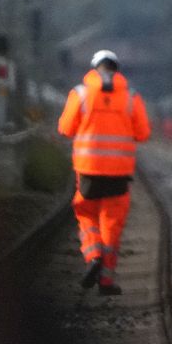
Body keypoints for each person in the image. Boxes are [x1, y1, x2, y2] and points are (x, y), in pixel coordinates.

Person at [57, 50, 152, 295]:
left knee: (86, 214)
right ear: (117, 70)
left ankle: (94, 254)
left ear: (93, 68)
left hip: (88, 171)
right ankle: (107, 282)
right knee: (112, 224)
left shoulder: (80, 93)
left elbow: (65, 128)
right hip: (119, 174)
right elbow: (143, 134)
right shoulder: (131, 97)